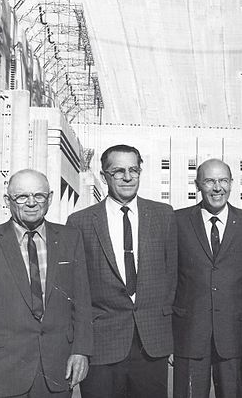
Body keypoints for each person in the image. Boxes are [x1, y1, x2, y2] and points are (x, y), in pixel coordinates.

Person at [67, 144, 177, 398]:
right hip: (102, 344)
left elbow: (172, 277)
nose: (127, 177)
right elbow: (77, 290)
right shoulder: (81, 222)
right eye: (118, 171)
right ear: (104, 174)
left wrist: (170, 336)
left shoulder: (163, 215)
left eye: (133, 170)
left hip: (152, 343)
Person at [0, 169, 92, 398]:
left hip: (57, 368)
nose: (32, 203)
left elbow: (82, 301)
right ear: (7, 201)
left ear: (50, 198)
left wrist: (81, 351)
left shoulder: (70, 238)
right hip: (2, 370)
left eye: (39, 196)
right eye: (22, 197)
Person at [173, 158, 242, 398]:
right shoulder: (177, 221)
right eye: (209, 181)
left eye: (223, 180)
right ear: (197, 185)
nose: (217, 188)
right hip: (189, 336)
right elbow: (169, 278)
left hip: (235, 337)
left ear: (232, 183)